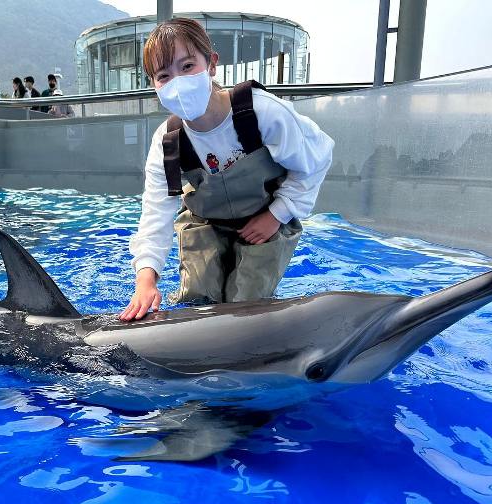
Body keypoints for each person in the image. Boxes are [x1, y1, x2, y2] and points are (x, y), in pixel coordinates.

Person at [119, 18, 334, 321]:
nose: (177, 83)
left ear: (211, 64)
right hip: (205, 223)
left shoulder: (262, 113)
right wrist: (146, 279)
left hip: (264, 221)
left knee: (245, 309)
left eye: (187, 66)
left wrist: (277, 214)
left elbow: (317, 159)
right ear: (153, 84)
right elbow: (156, 212)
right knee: (195, 302)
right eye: (163, 75)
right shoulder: (168, 142)